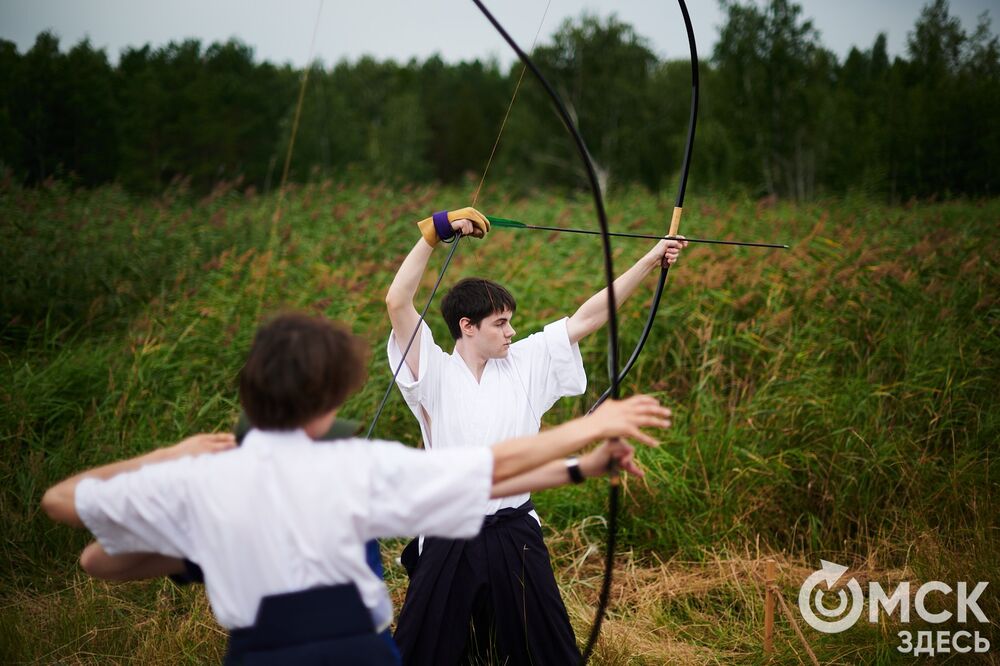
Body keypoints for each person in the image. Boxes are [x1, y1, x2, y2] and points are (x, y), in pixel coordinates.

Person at [41, 311, 672, 665]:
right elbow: (486, 468)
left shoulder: (200, 478)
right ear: (332, 399)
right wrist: (586, 441)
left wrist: (167, 457)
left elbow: (70, 517)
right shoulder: (355, 467)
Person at [386, 207, 687, 665]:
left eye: (510, 321)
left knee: (547, 651)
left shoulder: (525, 361)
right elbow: (397, 303)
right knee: (424, 652)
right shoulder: (432, 370)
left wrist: (650, 260)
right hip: (448, 531)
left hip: (514, 531)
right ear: (467, 327)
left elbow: (588, 317)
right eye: (500, 324)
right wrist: (434, 233)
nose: (511, 331)